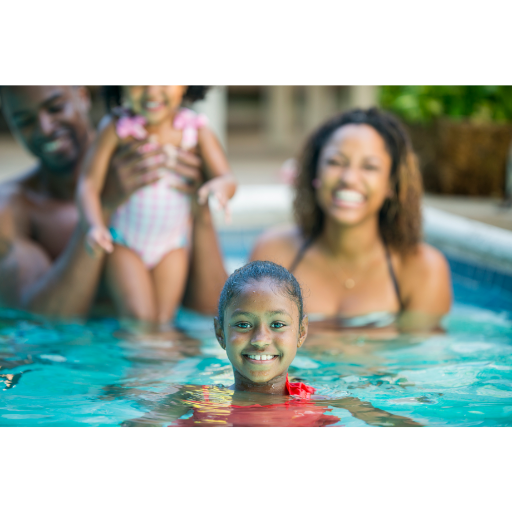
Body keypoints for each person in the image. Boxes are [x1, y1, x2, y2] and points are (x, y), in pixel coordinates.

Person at [0, 86, 227, 318]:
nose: (45, 129)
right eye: (24, 120)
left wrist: (201, 212)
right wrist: (104, 206)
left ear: (83, 96)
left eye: (56, 108)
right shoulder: (12, 208)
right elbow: (39, 323)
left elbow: (212, 313)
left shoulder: (165, 160)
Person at [119, 261, 421, 426]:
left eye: (277, 325)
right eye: (243, 325)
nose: (261, 339)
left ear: (302, 332)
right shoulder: (195, 400)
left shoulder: (323, 401)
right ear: (219, 333)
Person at [251, 108, 452, 331]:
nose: (348, 178)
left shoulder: (422, 269)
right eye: (336, 162)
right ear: (315, 173)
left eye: (369, 166)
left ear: (391, 184)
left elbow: (426, 362)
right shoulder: (275, 253)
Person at [76, 86, 236, 324]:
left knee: (163, 322)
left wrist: (219, 189)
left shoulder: (195, 130)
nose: (152, 90)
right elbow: (88, 184)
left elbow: (227, 178)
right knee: (138, 318)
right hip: (124, 242)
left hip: (172, 245)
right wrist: (95, 225)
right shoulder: (117, 128)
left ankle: (161, 361)